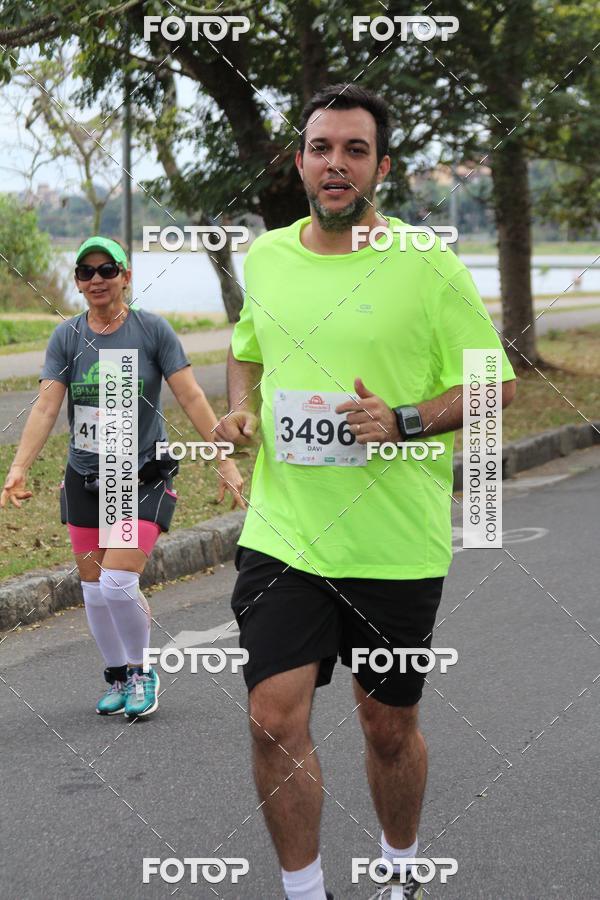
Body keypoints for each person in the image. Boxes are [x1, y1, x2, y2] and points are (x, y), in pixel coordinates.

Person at [216, 85, 517, 900]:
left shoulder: (428, 263)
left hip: (392, 543)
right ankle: (305, 890)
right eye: (322, 148)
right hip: (286, 534)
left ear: (380, 166)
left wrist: (407, 419)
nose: (336, 163)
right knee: (273, 718)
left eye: (355, 150)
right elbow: (248, 349)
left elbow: (495, 385)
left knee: (388, 727)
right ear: (301, 161)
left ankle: (402, 862)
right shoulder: (269, 257)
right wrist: (241, 409)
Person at [1, 236, 245, 719]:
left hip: (141, 477)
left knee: (115, 583)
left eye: (107, 270)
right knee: (92, 587)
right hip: (86, 477)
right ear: (76, 282)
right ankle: (116, 674)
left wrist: (224, 458)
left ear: (126, 276)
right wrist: (18, 468)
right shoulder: (67, 337)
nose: (96, 280)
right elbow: (48, 404)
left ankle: (140, 672)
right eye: (86, 272)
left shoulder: (152, 331)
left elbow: (194, 398)